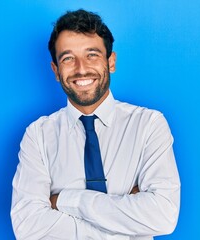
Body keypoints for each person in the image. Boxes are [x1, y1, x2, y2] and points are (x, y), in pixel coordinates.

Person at [11, 9, 180, 240]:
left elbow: (163, 216)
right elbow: (28, 227)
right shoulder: (38, 135)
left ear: (111, 62)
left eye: (92, 55)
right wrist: (126, 223)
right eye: (68, 58)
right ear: (56, 71)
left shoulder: (148, 125)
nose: (81, 68)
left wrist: (65, 201)